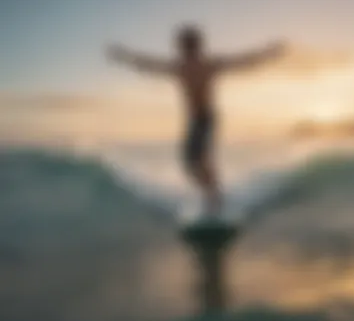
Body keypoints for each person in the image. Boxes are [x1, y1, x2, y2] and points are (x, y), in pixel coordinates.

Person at [106, 25, 286, 215]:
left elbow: (242, 62)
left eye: (188, 44)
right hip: (195, 120)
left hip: (207, 117)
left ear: (196, 45)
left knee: (198, 160)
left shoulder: (208, 65)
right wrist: (124, 56)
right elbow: (149, 65)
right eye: (183, 45)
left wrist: (268, 53)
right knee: (191, 163)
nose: (185, 49)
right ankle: (214, 195)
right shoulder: (180, 67)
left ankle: (215, 200)